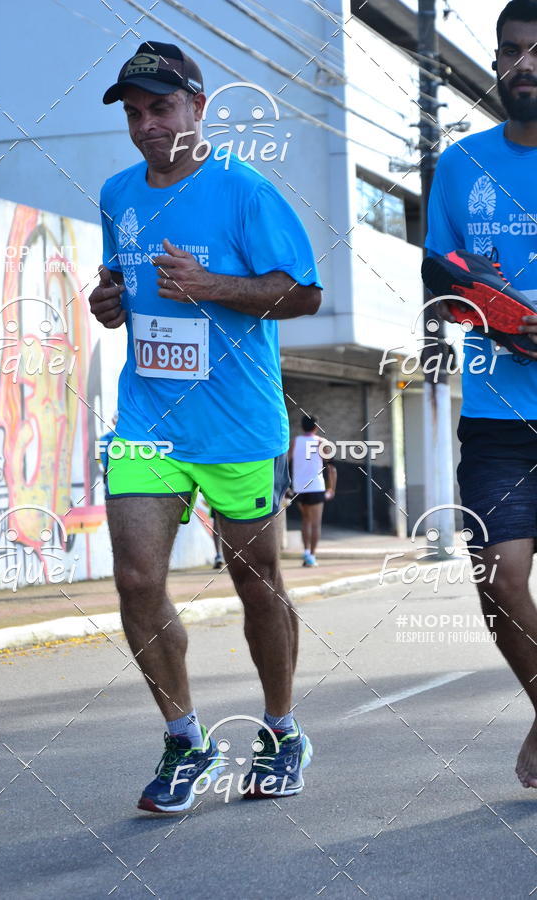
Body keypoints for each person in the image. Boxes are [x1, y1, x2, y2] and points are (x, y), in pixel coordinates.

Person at [88, 41, 322, 811]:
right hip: (148, 419)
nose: (147, 125)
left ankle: (283, 731)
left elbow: (301, 293)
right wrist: (111, 302)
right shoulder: (118, 194)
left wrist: (213, 286)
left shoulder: (246, 191)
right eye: (134, 113)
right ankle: (186, 740)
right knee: (137, 578)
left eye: (160, 108)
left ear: (197, 106)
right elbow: (119, 281)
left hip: (238, 427)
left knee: (257, 587)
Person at [426, 0, 537, 789]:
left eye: (536, 53)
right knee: (497, 581)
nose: (521, 67)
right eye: (508, 53)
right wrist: (495, 316)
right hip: (498, 412)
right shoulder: (462, 164)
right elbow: (442, 277)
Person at [289, 415, 336, 566]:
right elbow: (331, 468)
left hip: (299, 488)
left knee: (305, 521)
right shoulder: (321, 442)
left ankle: (306, 552)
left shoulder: (295, 442)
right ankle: (312, 556)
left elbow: (284, 464)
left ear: (302, 427)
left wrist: (286, 486)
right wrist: (331, 489)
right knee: (316, 524)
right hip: (316, 487)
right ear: (316, 427)